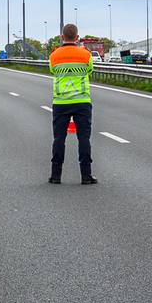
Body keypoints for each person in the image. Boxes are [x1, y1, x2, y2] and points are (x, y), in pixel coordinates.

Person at [48, 23, 96, 185]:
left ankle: (55, 176)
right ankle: (86, 176)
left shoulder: (54, 55)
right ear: (77, 37)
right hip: (82, 101)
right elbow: (90, 71)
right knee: (84, 138)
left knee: (59, 138)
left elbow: (53, 71)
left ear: (62, 37)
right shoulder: (85, 54)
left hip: (61, 102)